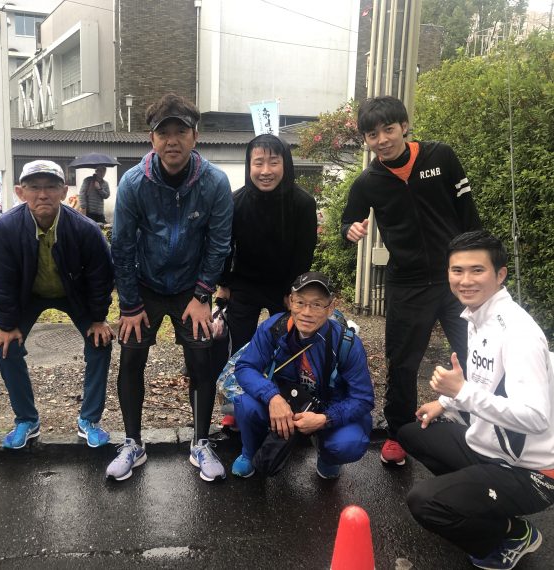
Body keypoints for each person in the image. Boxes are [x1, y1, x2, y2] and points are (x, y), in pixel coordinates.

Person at [399, 231, 554, 570]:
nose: (465, 280)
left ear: (500, 275)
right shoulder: (477, 315)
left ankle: (511, 533)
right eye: (457, 270)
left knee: (424, 502)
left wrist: (462, 393)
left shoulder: (518, 333)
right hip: (491, 449)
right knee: (412, 432)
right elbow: (485, 380)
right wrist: (446, 403)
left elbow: (536, 417)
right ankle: (479, 504)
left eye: (477, 270)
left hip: (534, 471)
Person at [341, 95, 482, 466]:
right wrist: (350, 230)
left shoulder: (440, 157)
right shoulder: (369, 181)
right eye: (372, 134)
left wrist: (479, 268)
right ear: (366, 140)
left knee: (476, 353)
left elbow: (469, 215)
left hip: (456, 280)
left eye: (388, 129)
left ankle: (481, 425)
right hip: (407, 282)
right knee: (402, 362)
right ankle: (398, 432)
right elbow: (348, 221)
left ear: (404, 126)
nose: (382, 139)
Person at [106, 92, 233, 482]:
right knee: (131, 357)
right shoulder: (133, 183)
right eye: (164, 133)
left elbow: (219, 243)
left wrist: (202, 295)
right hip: (144, 284)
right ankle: (132, 443)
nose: (172, 141)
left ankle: (200, 442)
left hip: (190, 287)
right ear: (152, 138)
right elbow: (121, 246)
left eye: (181, 131)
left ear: (195, 136)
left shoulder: (214, 182)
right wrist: (129, 305)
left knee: (201, 359)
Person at [0, 160, 115, 449]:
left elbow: (100, 277)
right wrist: (7, 325)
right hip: (28, 295)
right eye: (34, 187)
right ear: (20, 192)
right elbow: (1, 281)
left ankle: (89, 420)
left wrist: (98, 319)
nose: (42, 194)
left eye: (51, 187)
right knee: (6, 347)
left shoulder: (85, 229)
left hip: (74, 294)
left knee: (100, 343)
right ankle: (26, 420)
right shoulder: (5, 228)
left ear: (64, 191)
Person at [231, 272, 373, 479]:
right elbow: (245, 367)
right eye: (300, 302)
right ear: (290, 302)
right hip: (285, 401)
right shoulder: (274, 328)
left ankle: (328, 457)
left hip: (327, 407)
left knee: (349, 442)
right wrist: (272, 397)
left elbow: (363, 398)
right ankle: (249, 453)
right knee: (246, 404)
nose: (307, 312)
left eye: (317, 304)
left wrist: (325, 419)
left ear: (330, 308)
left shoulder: (347, 343)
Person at [214, 134, 317, 411]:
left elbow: (304, 252)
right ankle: (237, 407)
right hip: (244, 284)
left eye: (273, 162)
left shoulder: (303, 203)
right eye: (258, 163)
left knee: (285, 346)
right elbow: (226, 246)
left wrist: (294, 292)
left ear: (286, 164)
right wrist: (224, 283)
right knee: (239, 348)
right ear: (249, 165)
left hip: (284, 288)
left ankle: (286, 402)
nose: (266, 171)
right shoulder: (236, 201)